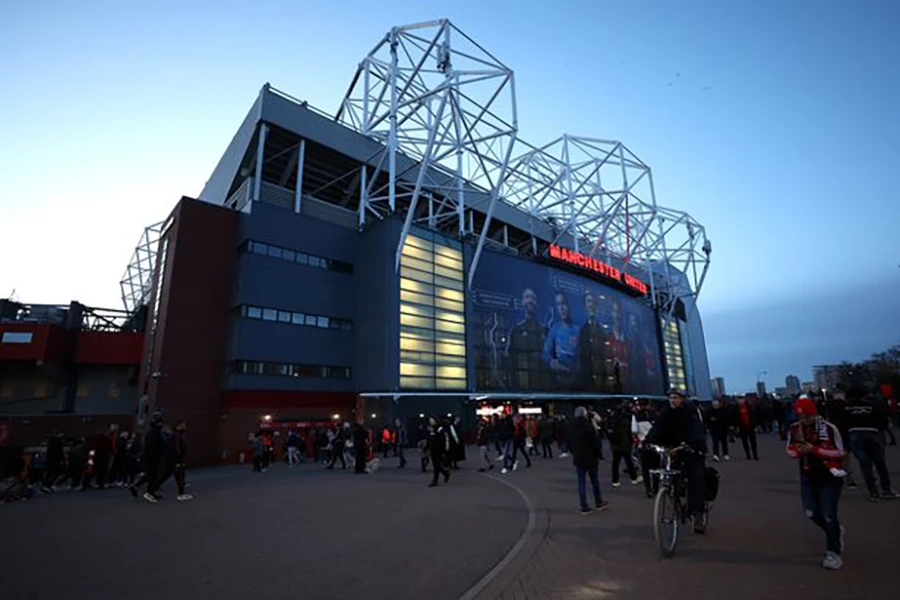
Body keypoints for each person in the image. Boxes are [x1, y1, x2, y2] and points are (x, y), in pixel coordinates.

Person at [785, 396, 847, 570]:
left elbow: (840, 452)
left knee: (829, 514)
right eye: (800, 416)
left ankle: (833, 553)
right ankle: (834, 530)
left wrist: (815, 450)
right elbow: (789, 450)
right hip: (807, 476)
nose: (803, 419)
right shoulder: (795, 429)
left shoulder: (828, 428)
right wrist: (798, 451)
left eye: (805, 415)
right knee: (810, 512)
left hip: (829, 476)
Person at [644, 389, 708, 532]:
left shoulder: (691, 412)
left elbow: (697, 430)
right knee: (673, 478)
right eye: (670, 397)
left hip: (692, 450)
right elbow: (657, 428)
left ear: (682, 399)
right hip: (675, 451)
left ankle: (697, 514)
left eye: (676, 397)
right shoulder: (666, 413)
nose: (672, 400)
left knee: (696, 479)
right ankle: (676, 500)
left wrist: (692, 443)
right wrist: (648, 442)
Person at [845, 388, 899, 501]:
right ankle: (886, 490)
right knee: (880, 463)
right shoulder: (873, 405)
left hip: (854, 433)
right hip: (872, 432)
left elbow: (843, 422)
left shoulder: (848, 408)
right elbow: (882, 420)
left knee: (865, 464)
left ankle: (873, 493)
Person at [568, 406, 609, 515]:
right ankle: (598, 502)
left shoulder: (571, 427)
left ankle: (584, 506)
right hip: (591, 458)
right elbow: (596, 443)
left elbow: (569, 444)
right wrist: (599, 455)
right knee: (594, 481)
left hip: (578, 458)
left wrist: (574, 452)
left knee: (581, 482)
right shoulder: (589, 427)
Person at [609, 402, 640, 487]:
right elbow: (631, 431)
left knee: (615, 462)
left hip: (615, 444)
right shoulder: (626, 419)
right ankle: (634, 478)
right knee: (628, 461)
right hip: (624, 444)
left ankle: (615, 481)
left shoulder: (612, 418)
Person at [426, 418, 451, 487]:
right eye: (430, 421)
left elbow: (443, 440)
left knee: (436, 466)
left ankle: (435, 481)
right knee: (436, 466)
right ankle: (445, 473)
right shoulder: (430, 429)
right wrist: (426, 448)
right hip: (432, 450)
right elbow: (429, 439)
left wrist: (444, 451)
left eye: (432, 420)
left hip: (439, 450)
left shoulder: (440, 429)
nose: (431, 422)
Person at [736, 396, 759, 460]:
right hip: (742, 427)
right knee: (745, 442)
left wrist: (755, 425)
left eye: (741, 400)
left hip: (750, 426)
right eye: (738, 400)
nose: (739, 401)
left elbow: (754, 416)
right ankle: (748, 455)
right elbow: (735, 418)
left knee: (753, 442)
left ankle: (755, 455)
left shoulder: (749, 407)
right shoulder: (736, 408)